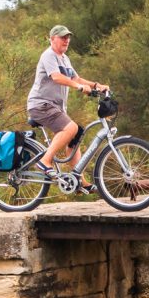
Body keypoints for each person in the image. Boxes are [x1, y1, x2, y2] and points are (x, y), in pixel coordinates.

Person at [27, 24, 108, 189]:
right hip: (41, 104)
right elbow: (56, 77)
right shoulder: (48, 55)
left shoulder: (65, 58)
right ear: (52, 39)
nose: (66, 40)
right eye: (62, 37)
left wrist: (96, 86)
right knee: (71, 128)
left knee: (75, 134)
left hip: (54, 107)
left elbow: (76, 79)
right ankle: (44, 161)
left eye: (68, 37)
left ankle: (78, 180)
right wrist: (78, 87)